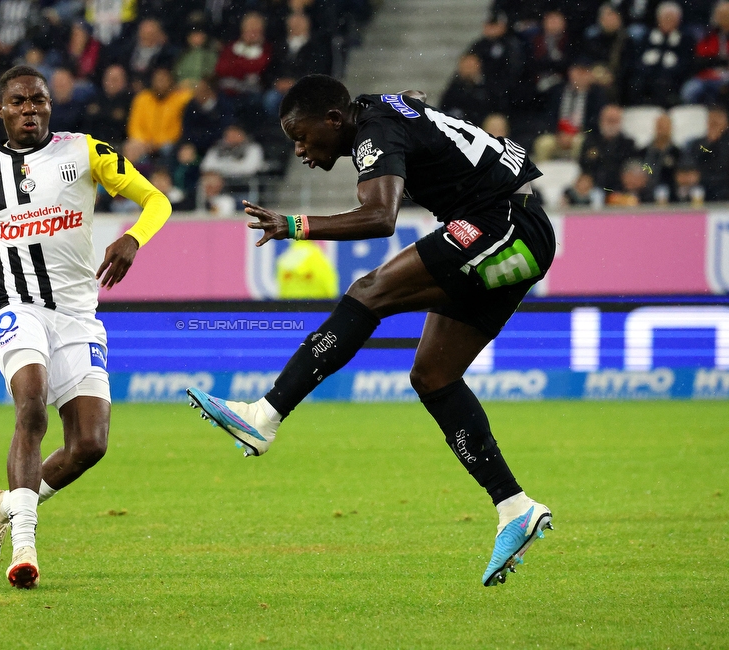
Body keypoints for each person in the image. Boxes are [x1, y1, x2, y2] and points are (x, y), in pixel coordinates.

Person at [186, 75, 555, 588]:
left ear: (335, 120)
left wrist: (297, 226)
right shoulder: (380, 113)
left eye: (303, 135)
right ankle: (515, 508)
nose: (299, 149)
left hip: (503, 223)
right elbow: (417, 108)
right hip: (514, 226)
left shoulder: (373, 133)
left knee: (369, 292)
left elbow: (381, 217)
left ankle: (264, 416)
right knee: (433, 376)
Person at [0, 65, 171, 589]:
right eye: (18, 101)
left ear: (50, 105)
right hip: (15, 306)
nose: (30, 109)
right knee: (31, 404)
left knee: (90, 444)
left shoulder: (86, 151)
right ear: (0, 110)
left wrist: (134, 238)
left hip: (76, 315)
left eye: (38, 100)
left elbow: (158, 200)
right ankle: (26, 547)